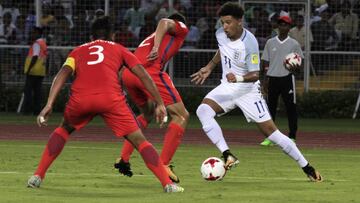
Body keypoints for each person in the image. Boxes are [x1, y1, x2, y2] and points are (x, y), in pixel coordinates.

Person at [27, 16, 184, 193]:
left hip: (81, 99)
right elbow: (144, 75)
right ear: (113, 35)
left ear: (91, 36)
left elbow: (62, 74)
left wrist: (49, 103)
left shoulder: (78, 51)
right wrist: (160, 103)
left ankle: (37, 176)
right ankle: (168, 185)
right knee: (140, 141)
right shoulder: (120, 49)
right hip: (111, 99)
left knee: (63, 129)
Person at [190, 2, 322, 182]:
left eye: (228, 22)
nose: (225, 27)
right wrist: (210, 66)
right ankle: (228, 154)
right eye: (223, 22)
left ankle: (307, 167)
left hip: (247, 90)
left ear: (239, 21)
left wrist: (237, 78)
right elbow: (222, 49)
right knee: (203, 111)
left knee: (272, 133)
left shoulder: (249, 42)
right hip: (227, 88)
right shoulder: (220, 33)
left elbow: (255, 74)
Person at [114, 13, 189, 183]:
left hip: (129, 74)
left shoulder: (150, 37)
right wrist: (156, 48)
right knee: (182, 115)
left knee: (147, 114)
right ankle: (163, 164)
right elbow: (164, 21)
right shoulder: (181, 28)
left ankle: (123, 159)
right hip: (150, 73)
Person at [260, 15, 303, 146]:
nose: (283, 26)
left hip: (287, 78)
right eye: (280, 24)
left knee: (291, 108)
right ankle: (270, 137)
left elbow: (299, 63)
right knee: (270, 109)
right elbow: (265, 61)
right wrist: (265, 79)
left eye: (285, 24)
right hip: (272, 78)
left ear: (289, 27)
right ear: (277, 26)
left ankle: (292, 136)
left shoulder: (294, 44)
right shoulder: (270, 42)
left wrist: (296, 68)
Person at [23, 26, 47, 115]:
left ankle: (27, 111)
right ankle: (37, 111)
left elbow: (35, 56)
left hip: (33, 71)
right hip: (41, 71)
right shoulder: (43, 43)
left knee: (28, 91)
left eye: (34, 32)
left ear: (38, 33)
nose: (32, 34)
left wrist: (29, 69)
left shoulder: (36, 43)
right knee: (38, 92)